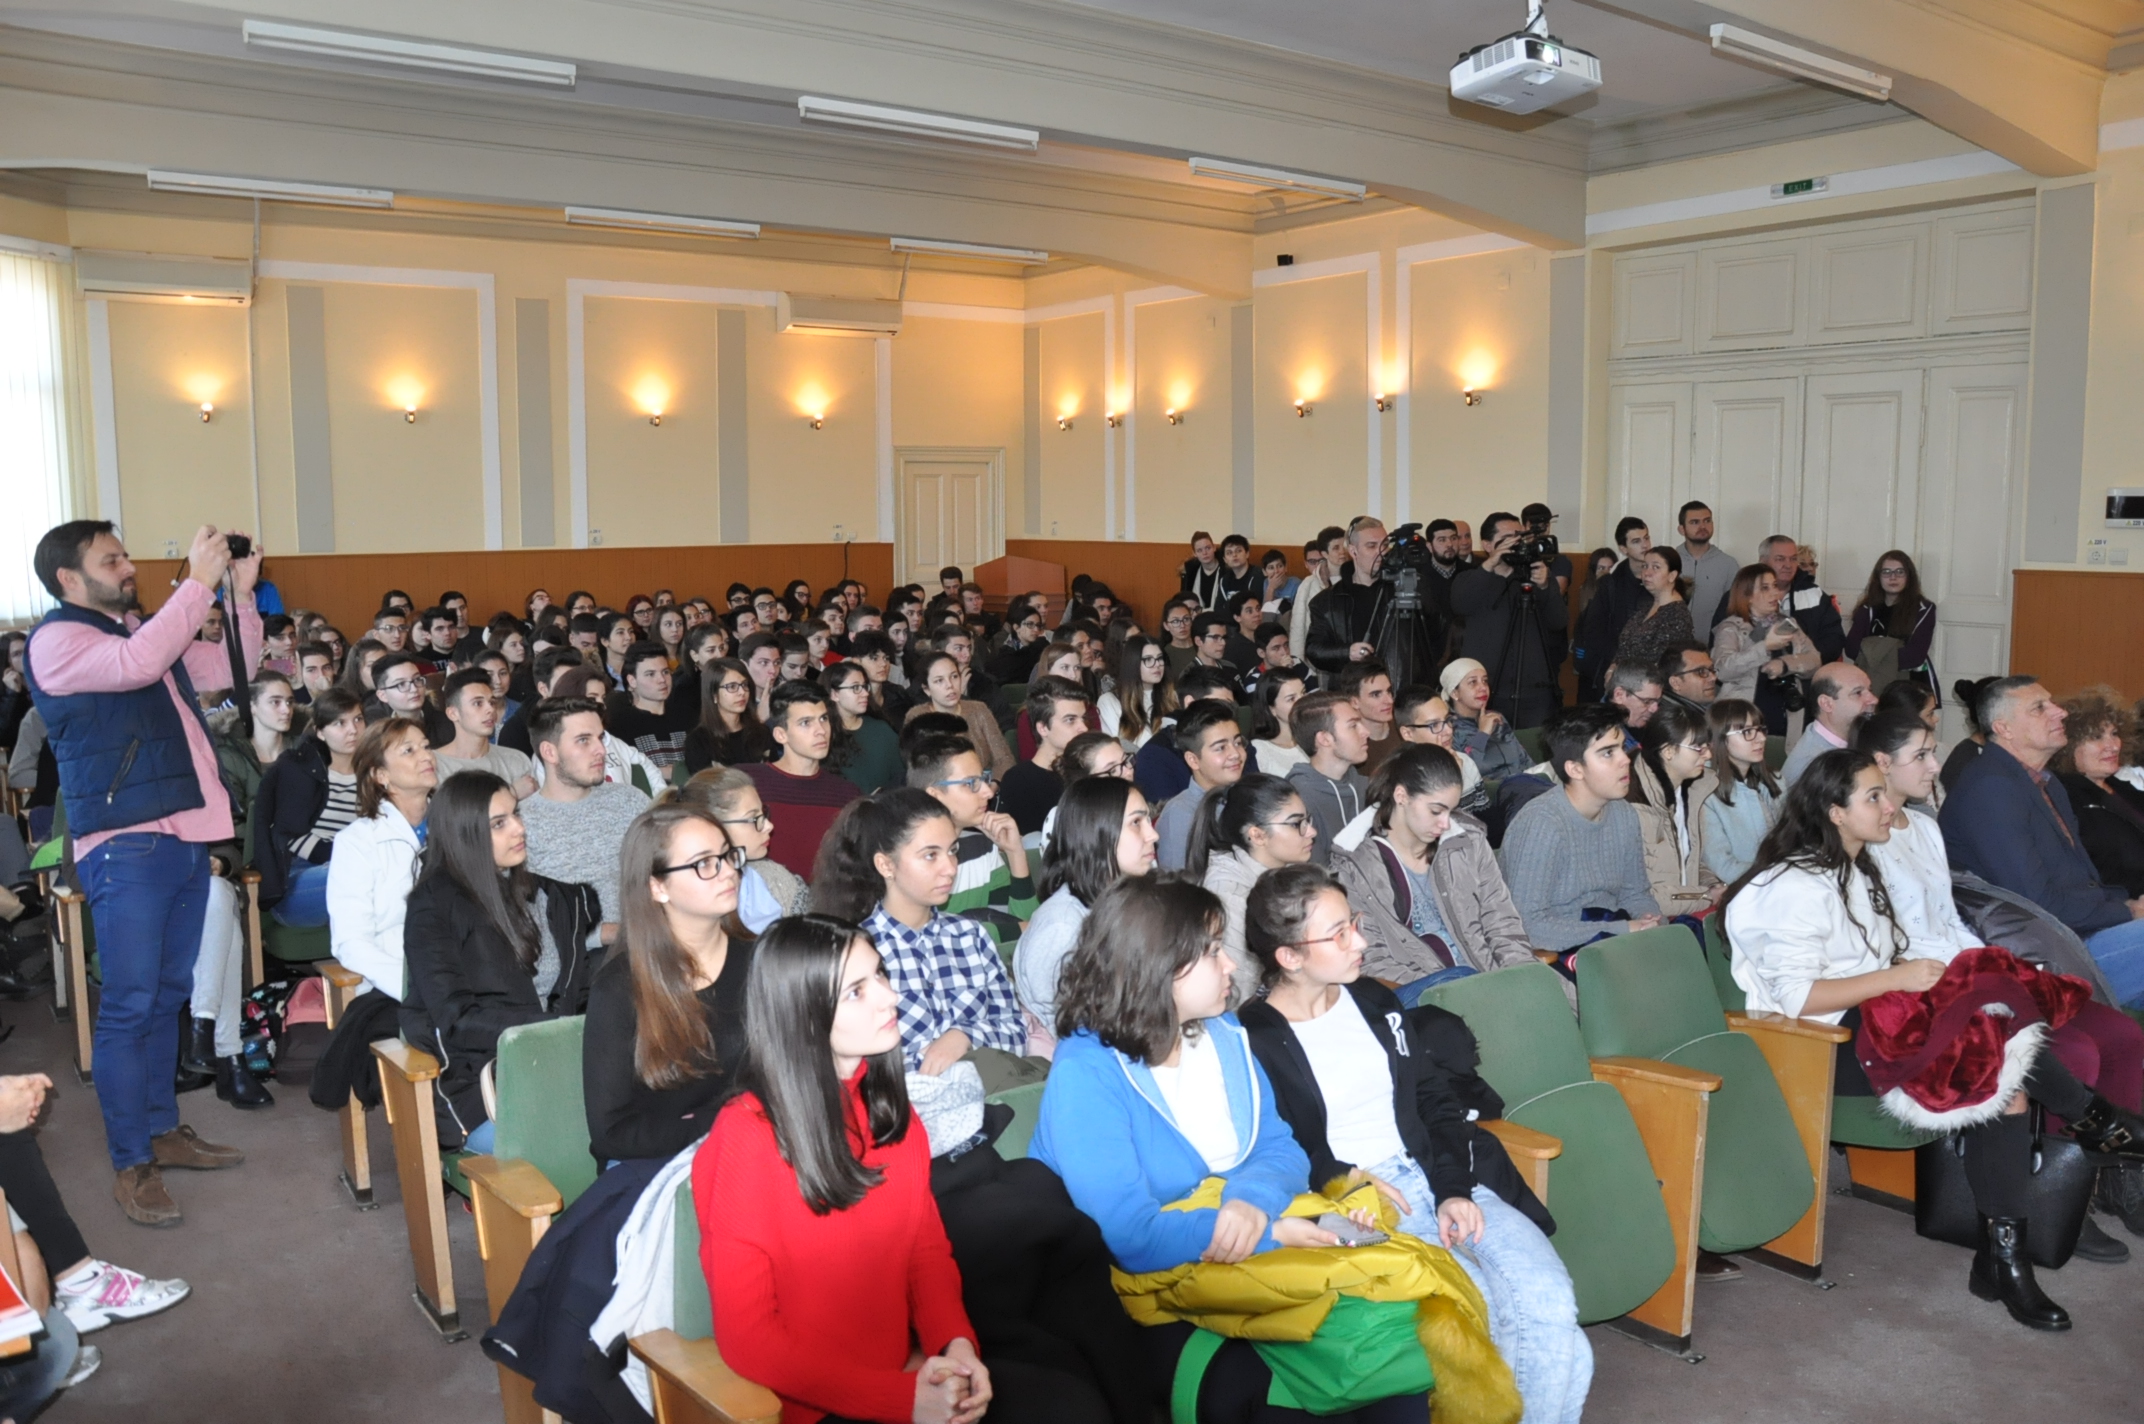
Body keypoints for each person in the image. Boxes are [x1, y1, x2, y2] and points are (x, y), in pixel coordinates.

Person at [1724, 749, 2144, 1330]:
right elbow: (1798, 999)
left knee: (1997, 1025)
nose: (1889, 806)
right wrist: (1898, 979)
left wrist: (1911, 979)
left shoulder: (1856, 867)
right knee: (1987, 1024)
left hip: (1873, 1018)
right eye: (1873, 796)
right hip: (1818, 1044)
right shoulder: (1793, 884)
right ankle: (2095, 1123)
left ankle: (2003, 1258)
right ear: (1835, 812)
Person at [1031, 877, 1435, 1424]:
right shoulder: (1088, 1071)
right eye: (1213, 952)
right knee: (1295, 1393)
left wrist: (1251, 1202)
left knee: (1400, 1344)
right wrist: (1272, 1233)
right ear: (1160, 967)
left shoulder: (1221, 1031)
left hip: (1252, 1241)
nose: (1231, 966)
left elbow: (1280, 1148)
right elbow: (1130, 1238)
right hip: (1151, 1292)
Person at [1239, 864, 1592, 1423]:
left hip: (1435, 1172)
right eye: (1338, 934)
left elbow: (1434, 1102)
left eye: (1354, 923)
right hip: (1360, 1207)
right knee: (1495, 1319)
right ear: (1290, 956)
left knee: (1550, 1301)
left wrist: (1453, 1189)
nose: (1360, 941)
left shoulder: (1373, 1002)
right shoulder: (1252, 1038)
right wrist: (1342, 1179)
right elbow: (1271, 1151)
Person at [696, 915, 1041, 1424]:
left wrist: (956, 1345)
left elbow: (924, 1253)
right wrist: (901, 1399)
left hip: (903, 1376)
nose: (889, 997)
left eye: (880, 974)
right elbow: (749, 1342)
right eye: (856, 991)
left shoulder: (888, 1110)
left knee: (1065, 1397)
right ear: (803, 1015)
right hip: (819, 1405)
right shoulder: (745, 1138)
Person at [22, 519, 256, 1223]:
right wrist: (198, 583)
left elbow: (222, 670)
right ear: (68, 578)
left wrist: (240, 596)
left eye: (125, 556)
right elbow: (138, 666)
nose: (127, 567)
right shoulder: (56, 641)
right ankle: (132, 1163)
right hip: (124, 842)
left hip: (182, 833)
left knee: (166, 995)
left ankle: (161, 1130)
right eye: (111, 559)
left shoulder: (136, 631)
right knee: (128, 1005)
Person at [1860, 710, 2144, 1250]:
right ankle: (2057, 1196)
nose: (1936, 766)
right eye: (1921, 755)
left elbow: (1948, 920)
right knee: (2075, 1051)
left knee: (2122, 1034)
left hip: (1967, 966)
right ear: (1881, 763)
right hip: (1920, 983)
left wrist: (1993, 966)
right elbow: (1883, 942)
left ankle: (2117, 1180)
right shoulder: (1857, 836)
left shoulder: (1923, 826)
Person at [403, 771, 600, 1153]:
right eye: (499, 823)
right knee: (598, 1142)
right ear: (465, 834)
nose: (519, 829)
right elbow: (457, 1020)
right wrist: (555, 1029)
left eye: (516, 814)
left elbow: (578, 991)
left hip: (564, 1068)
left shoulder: (548, 897)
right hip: (487, 1084)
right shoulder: (433, 907)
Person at [812, 789, 1039, 1091]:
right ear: (886, 865)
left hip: (993, 1094)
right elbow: (850, 1064)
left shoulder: (970, 936)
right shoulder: (856, 953)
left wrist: (964, 1036)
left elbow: (1016, 1032)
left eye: (952, 850)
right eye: (930, 855)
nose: (950, 867)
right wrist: (929, 1063)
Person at [1941, 678, 2144, 1007]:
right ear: (2004, 728)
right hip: (2048, 954)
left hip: (2077, 932)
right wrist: (2126, 911)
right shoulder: (1991, 788)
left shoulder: (2045, 782)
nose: (2059, 712)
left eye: (2052, 703)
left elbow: (2083, 880)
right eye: (2039, 708)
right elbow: (2036, 903)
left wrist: (2129, 903)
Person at [583, 801, 755, 1164]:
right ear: (657, 887)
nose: (728, 871)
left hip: (750, 1150)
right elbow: (611, 1133)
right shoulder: (619, 988)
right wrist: (720, 1124)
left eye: (727, 855)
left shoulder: (761, 960)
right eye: (704, 863)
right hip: (657, 1163)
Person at [1330, 745, 1542, 1000]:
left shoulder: (1467, 841)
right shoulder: (1355, 867)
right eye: (1435, 811)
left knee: (1557, 1001)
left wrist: (1521, 978)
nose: (1445, 823)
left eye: (1450, 810)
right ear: (1401, 795)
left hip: (1493, 981)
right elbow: (1372, 959)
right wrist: (1446, 991)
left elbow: (1502, 924)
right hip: (1429, 998)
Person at [1499, 705, 1661, 959]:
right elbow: (1528, 926)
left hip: (1613, 939)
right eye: (1608, 753)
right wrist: (1623, 930)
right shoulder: (1542, 825)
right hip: (1560, 952)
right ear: (1575, 769)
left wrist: (1650, 922)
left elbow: (1636, 893)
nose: (1625, 759)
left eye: (1621, 748)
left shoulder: (1624, 813)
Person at [1015, 777, 1158, 1053]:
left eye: (1148, 821)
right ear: (1097, 833)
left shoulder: (1132, 900)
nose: (1153, 835)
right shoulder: (1062, 926)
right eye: (1136, 823)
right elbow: (1066, 1029)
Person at [326, 716, 437, 1000]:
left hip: (460, 977)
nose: (426, 756)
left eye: (426, 746)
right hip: (392, 987)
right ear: (381, 775)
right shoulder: (357, 841)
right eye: (409, 750)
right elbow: (351, 942)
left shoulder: (455, 827)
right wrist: (413, 989)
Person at [521, 698, 651, 939]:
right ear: (549, 752)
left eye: (600, 738)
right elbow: (528, 921)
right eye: (583, 740)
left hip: (650, 941)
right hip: (577, 955)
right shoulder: (522, 824)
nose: (601, 750)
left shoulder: (631, 801)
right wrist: (607, 935)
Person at [1184, 772, 1318, 998]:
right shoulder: (1229, 896)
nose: (1311, 832)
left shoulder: (1286, 871)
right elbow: (1238, 993)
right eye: (1296, 824)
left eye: (1308, 820)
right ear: (1257, 835)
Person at [907, 733, 1040, 955]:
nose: (988, 792)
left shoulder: (982, 847)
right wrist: (991, 930)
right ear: (935, 795)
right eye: (971, 784)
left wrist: (1015, 852)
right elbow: (933, 939)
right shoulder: (909, 858)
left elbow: (1025, 926)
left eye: (984, 779)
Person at [1452, 511, 1569, 727]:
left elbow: (1558, 622)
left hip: (1534, 691)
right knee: (1486, 745)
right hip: (1486, 689)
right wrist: (1490, 566)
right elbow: (1459, 604)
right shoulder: (1470, 578)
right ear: (1487, 545)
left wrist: (1545, 587)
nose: (1516, 544)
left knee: (1534, 746)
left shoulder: (1536, 577)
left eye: (1520, 537)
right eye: (1507, 539)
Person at [743, 681, 862, 881]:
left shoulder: (847, 794)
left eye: (823, 719)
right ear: (781, 735)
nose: (821, 730)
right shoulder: (750, 783)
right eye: (806, 723)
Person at [1307, 517, 1432, 685]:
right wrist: (1347, 652)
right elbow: (1314, 650)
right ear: (1353, 551)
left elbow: (1434, 634)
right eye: (1371, 546)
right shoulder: (1326, 601)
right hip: (1352, 690)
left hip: (1402, 686)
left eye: (1385, 545)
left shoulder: (1404, 590)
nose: (1382, 552)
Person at [1627, 700, 1722, 914]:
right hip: (1653, 920)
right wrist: (1706, 896)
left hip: (1686, 907)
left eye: (1707, 746)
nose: (1708, 755)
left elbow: (1688, 863)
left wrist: (1714, 885)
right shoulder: (1633, 805)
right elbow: (1646, 896)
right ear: (1668, 751)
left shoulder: (1690, 790)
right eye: (1698, 748)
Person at [1710, 562, 1819, 735]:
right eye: (1765, 588)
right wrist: (1765, 647)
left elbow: (1814, 660)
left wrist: (1785, 665)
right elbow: (1723, 671)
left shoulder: (1787, 624)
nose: (1774, 593)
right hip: (1744, 719)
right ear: (1747, 596)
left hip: (1786, 718)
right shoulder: (1731, 628)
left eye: (1775, 586)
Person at [2056, 689, 2144, 897]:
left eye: (2114, 734)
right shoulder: (2065, 797)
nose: (2112, 746)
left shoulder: (2122, 788)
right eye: (2096, 737)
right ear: (2068, 745)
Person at [1155, 701, 1249, 873]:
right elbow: (1178, 885)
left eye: (1237, 743)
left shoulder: (1250, 796)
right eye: (1221, 748)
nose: (1235, 754)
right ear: (1193, 760)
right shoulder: (1181, 814)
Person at [1285, 690, 1371, 871]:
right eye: (1353, 726)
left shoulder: (1365, 785)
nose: (1366, 732)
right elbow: (1314, 875)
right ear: (1324, 739)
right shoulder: (1300, 798)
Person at [1701, 698, 1781, 884]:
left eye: (1760, 729)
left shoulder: (1775, 779)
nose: (1761, 738)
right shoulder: (1704, 791)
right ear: (1720, 738)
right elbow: (1723, 867)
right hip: (1747, 887)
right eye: (1748, 732)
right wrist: (1780, 877)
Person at [1573, 518, 1650, 704]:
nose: (1645, 545)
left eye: (1646, 538)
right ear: (1623, 549)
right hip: (1612, 668)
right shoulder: (1611, 584)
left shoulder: (1659, 579)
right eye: (1636, 541)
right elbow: (1594, 630)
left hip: (1648, 670)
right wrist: (1616, 660)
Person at [999, 677, 1088, 837]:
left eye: (1083, 719)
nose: (1083, 728)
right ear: (1043, 728)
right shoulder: (1019, 781)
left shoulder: (1089, 768)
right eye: (1070, 720)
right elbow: (1031, 843)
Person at [904, 651, 1015, 779]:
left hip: (986, 784)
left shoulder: (979, 709)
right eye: (939, 681)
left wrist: (994, 784)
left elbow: (1004, 758)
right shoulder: (917, 716)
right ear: (926, 689)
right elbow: (920, 770)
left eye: (954, 676)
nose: (950, 685)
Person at [1845, 550, 1939, 700]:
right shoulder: (1867, 608)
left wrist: (1872, 648)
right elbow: (1852, 648)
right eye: (1886, 572)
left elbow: (1914, 656)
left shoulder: (1924, 609)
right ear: (1878, 577)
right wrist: (1892, 647)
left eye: (1900, 572)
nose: (1893, 577)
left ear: (1909, 576)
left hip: (1909, 685)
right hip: (1869, 682)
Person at [430, 668, 537, 797]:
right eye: (478, 703)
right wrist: (512, 793)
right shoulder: (433, 766)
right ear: (453, 713)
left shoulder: (516, 759)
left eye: (492, 702)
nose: (490, 709)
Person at [1780, 663, 1877, 788]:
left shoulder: (1860, 739)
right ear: (1826, 704)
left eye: (1870, 690)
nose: (1874, 699)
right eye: (1858, 693)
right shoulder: (1813, 767)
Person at [605, 642, 696, 771]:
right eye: (650, 674)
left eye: (665, 672)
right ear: (632, 681)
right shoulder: (620, 725)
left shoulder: (688, 717)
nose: (662, 679)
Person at [1440, 659, 1529, 779]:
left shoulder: (1496, 718)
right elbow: (1464, 774)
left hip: (1524, 784)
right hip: (1492, 789)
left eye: (1485, 681)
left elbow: (1524, 760)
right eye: (1473, 682)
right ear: (1455, 693)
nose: (1483, 687)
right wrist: (1482, 735)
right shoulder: (1449, 729)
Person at [824, 661, 904, 795]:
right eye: (856, 687)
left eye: (865, 686)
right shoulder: (822, 734)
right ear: (835, 694)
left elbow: (901, 778)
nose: (865, 693)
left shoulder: (881, 730)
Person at [1613, 546, 1694, 676]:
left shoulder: (1677, 616)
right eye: (1645, 566)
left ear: (1672, 575)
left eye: (1656, 567)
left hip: (1647, 684)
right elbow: (1624, 647)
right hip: (1625, 680)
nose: (1647, 572)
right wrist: (1612, 668)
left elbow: (1663, 666)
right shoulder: (1646, 607)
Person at [682, 656, 767, 774]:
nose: (742, 692)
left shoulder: (761, 732)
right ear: (714, 695)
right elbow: (704, 784)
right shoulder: (698, 741)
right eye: (732, 687)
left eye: (744, 685)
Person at [1099, 635, 1174, 753]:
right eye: (1148, 659)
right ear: (1133, 663)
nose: (1157, 664)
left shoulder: (1172, 696)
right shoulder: (1110, 701)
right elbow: (1114, 748)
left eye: (1160, 658)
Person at [1287, 525, 1349, 662]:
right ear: (1324, 554)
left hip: (1348, 653)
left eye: (1344, 546)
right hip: (1319, 654)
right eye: (1336, 548)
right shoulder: (1309, 584)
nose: (1342, 552)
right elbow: (1298, 625)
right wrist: (1297, 661)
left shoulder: (1355, 580)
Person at [1675, 501, 1737, 632]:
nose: (1703, 526)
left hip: (1714, 641)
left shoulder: (1729, 564)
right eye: (1695, 522)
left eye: (1707, 521)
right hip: (1673, 642)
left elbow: (1736, 609)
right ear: (1681, 529)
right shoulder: (1667, 562)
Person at [1334, 660, 1397, 774]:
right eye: (1376, 695)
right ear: (1354, 702)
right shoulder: (1347, 747)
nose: (1389, 700)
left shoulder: (1405, 728)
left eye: (1389, 691)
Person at [1250, 666, 1311, 778]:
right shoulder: (1258, 750)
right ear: (1271, 709)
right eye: (1291, 699)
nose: (1303, 702)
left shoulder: (1316, 738)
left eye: (1303, 693)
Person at [1656, 643, 1719, 711]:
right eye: (1701, 672)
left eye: (1711, 669)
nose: (1713, 677)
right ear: (1675, 683)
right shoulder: (1672, 716)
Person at [1181, 530, 1226, 610]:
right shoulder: (1190, 573)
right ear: (1194, 553)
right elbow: (1185, 601)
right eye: (1199, 550)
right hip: (1197, 615)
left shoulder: (1226, 570)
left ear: (1214, 548)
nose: (1204, 553)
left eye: (1208, 548)